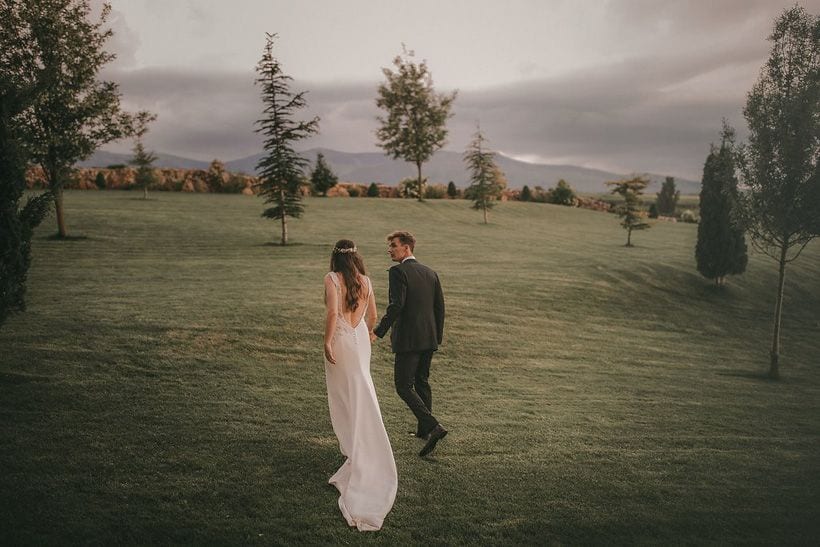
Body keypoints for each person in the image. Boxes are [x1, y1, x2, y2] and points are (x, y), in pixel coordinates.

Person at [323, 239, 397, 531]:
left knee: (344, 396)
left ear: (335, 258)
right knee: (361, 391)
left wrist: (328, 340)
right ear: (356, 258)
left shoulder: (332, 279)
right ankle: (360, 445)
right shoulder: (366, 280)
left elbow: (331, 314)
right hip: (359, 340)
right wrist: (362, 336)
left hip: (341, 341)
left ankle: (357, 450)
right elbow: (374, 317)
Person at [372, 231, 448, 458]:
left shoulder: (398, 272)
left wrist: (378, 331)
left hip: (409, 339)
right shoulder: (430, 273)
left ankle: (433, 427)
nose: (389, 249)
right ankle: (423, 432)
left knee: (403, 385)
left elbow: (397, 305)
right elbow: (439, 309)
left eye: (393, 245)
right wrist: (437, 337)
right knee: (422, 381)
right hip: (429, 338)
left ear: (406, 248)